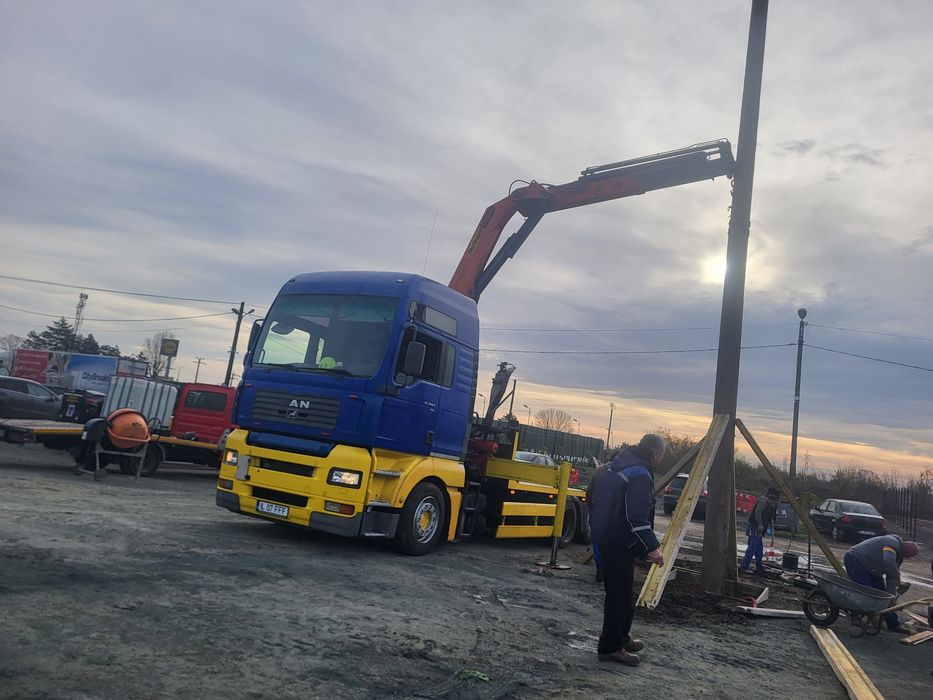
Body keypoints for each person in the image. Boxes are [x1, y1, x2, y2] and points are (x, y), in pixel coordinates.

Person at [587, 435, 666, 667]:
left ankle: (622, 637)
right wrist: (652, 548)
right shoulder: (639, 474)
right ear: (654, 453)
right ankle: (611, 647)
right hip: (618, 542)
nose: (661, 459)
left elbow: (592, 498)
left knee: (623, 594)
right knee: (618, 597)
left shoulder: (615, 465)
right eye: (662, 455)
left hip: (606, 537)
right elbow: (637, 517)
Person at [844, 534, 919, 633]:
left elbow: (891, 578)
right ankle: (855, 616)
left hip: (871, 569)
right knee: (865, 592)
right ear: (907, 548)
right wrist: (897, 576)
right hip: (856, 560)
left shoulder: (898, 557)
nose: (909, 557)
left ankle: (893, 624)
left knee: (884, 597)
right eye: (910, 554)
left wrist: (891, 597)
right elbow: (888, 561)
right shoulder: (892, 542)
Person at [740, 487, 780, 575]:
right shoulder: (763, 502)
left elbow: (768, 517)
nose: (774, 504)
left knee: (759, 549)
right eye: (775, 502)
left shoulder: (768, 505)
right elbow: (757, 513)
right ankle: (744, 566)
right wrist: (760, 524)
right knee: (752, 548)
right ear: (772, 499)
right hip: (754, 527)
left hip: (758, 529)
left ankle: (759, 565)